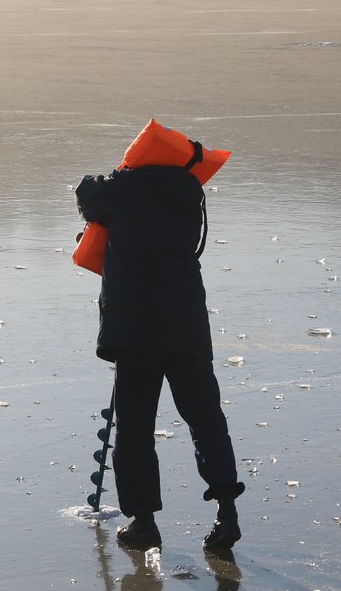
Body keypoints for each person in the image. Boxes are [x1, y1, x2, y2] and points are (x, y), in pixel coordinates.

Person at [75, 162, 245, 551]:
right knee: (206, 420)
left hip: (136, 327)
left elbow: (87, 193)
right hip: (186, 322)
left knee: (134, 428)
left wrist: (119, 171)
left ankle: (144, 523)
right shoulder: (189, 190)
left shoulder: (122, 186)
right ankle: (227, 512)